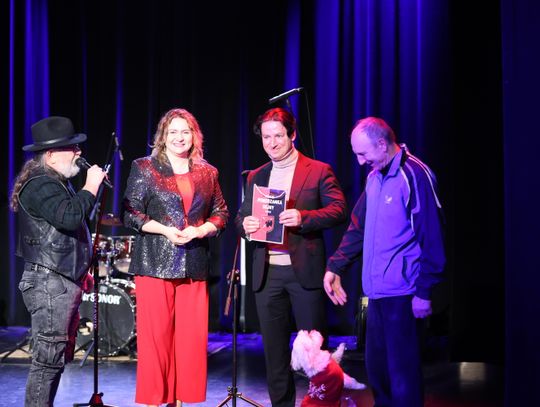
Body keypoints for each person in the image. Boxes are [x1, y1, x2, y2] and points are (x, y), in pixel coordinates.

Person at [324, 117, 446, 407]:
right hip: (377, 293)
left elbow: (432, 234)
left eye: (363, 153)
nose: (359, 161)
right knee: (378, 373)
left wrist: (424, 291)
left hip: (404, 294)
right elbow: (358, 227)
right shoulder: (374, 177)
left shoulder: (413, 174)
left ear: (382, 144)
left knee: (402, 378)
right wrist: (335, 266)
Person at [235, 107, 347, 407]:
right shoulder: (256, 175)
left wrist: (303, 217)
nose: (272, 143)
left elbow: (339, 209)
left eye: (278, 136)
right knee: (275, 355)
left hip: (304, 272)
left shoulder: (318, 170)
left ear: (292, 135)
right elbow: (241, 217)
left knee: (315, 354)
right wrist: (246, 225)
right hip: (267, 273)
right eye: (266, 137)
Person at [122, 108, 229, 407]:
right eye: (173, 132)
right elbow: (130, 213)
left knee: (190, 342)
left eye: (185, 131)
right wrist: (165, 230)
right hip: (154, 264)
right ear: (163, 136)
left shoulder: (207, 172)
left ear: (194, 136)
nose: (179, 137)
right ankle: (155, 401)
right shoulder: (145, 167)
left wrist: (201, 230)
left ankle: (180, 401)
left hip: (193, 263)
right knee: (156, 340)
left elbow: (221, 213)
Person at [9, 116, 107, 407]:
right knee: (47, 361)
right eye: (72, 148)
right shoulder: (41, 184)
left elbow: (65, 234)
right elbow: (70, 217)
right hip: (49, 284)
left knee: (55, 360)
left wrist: (80, 271)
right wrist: (91, 186)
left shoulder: (55, 183)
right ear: (51, 155)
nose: (79, 152)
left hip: (60, 280)